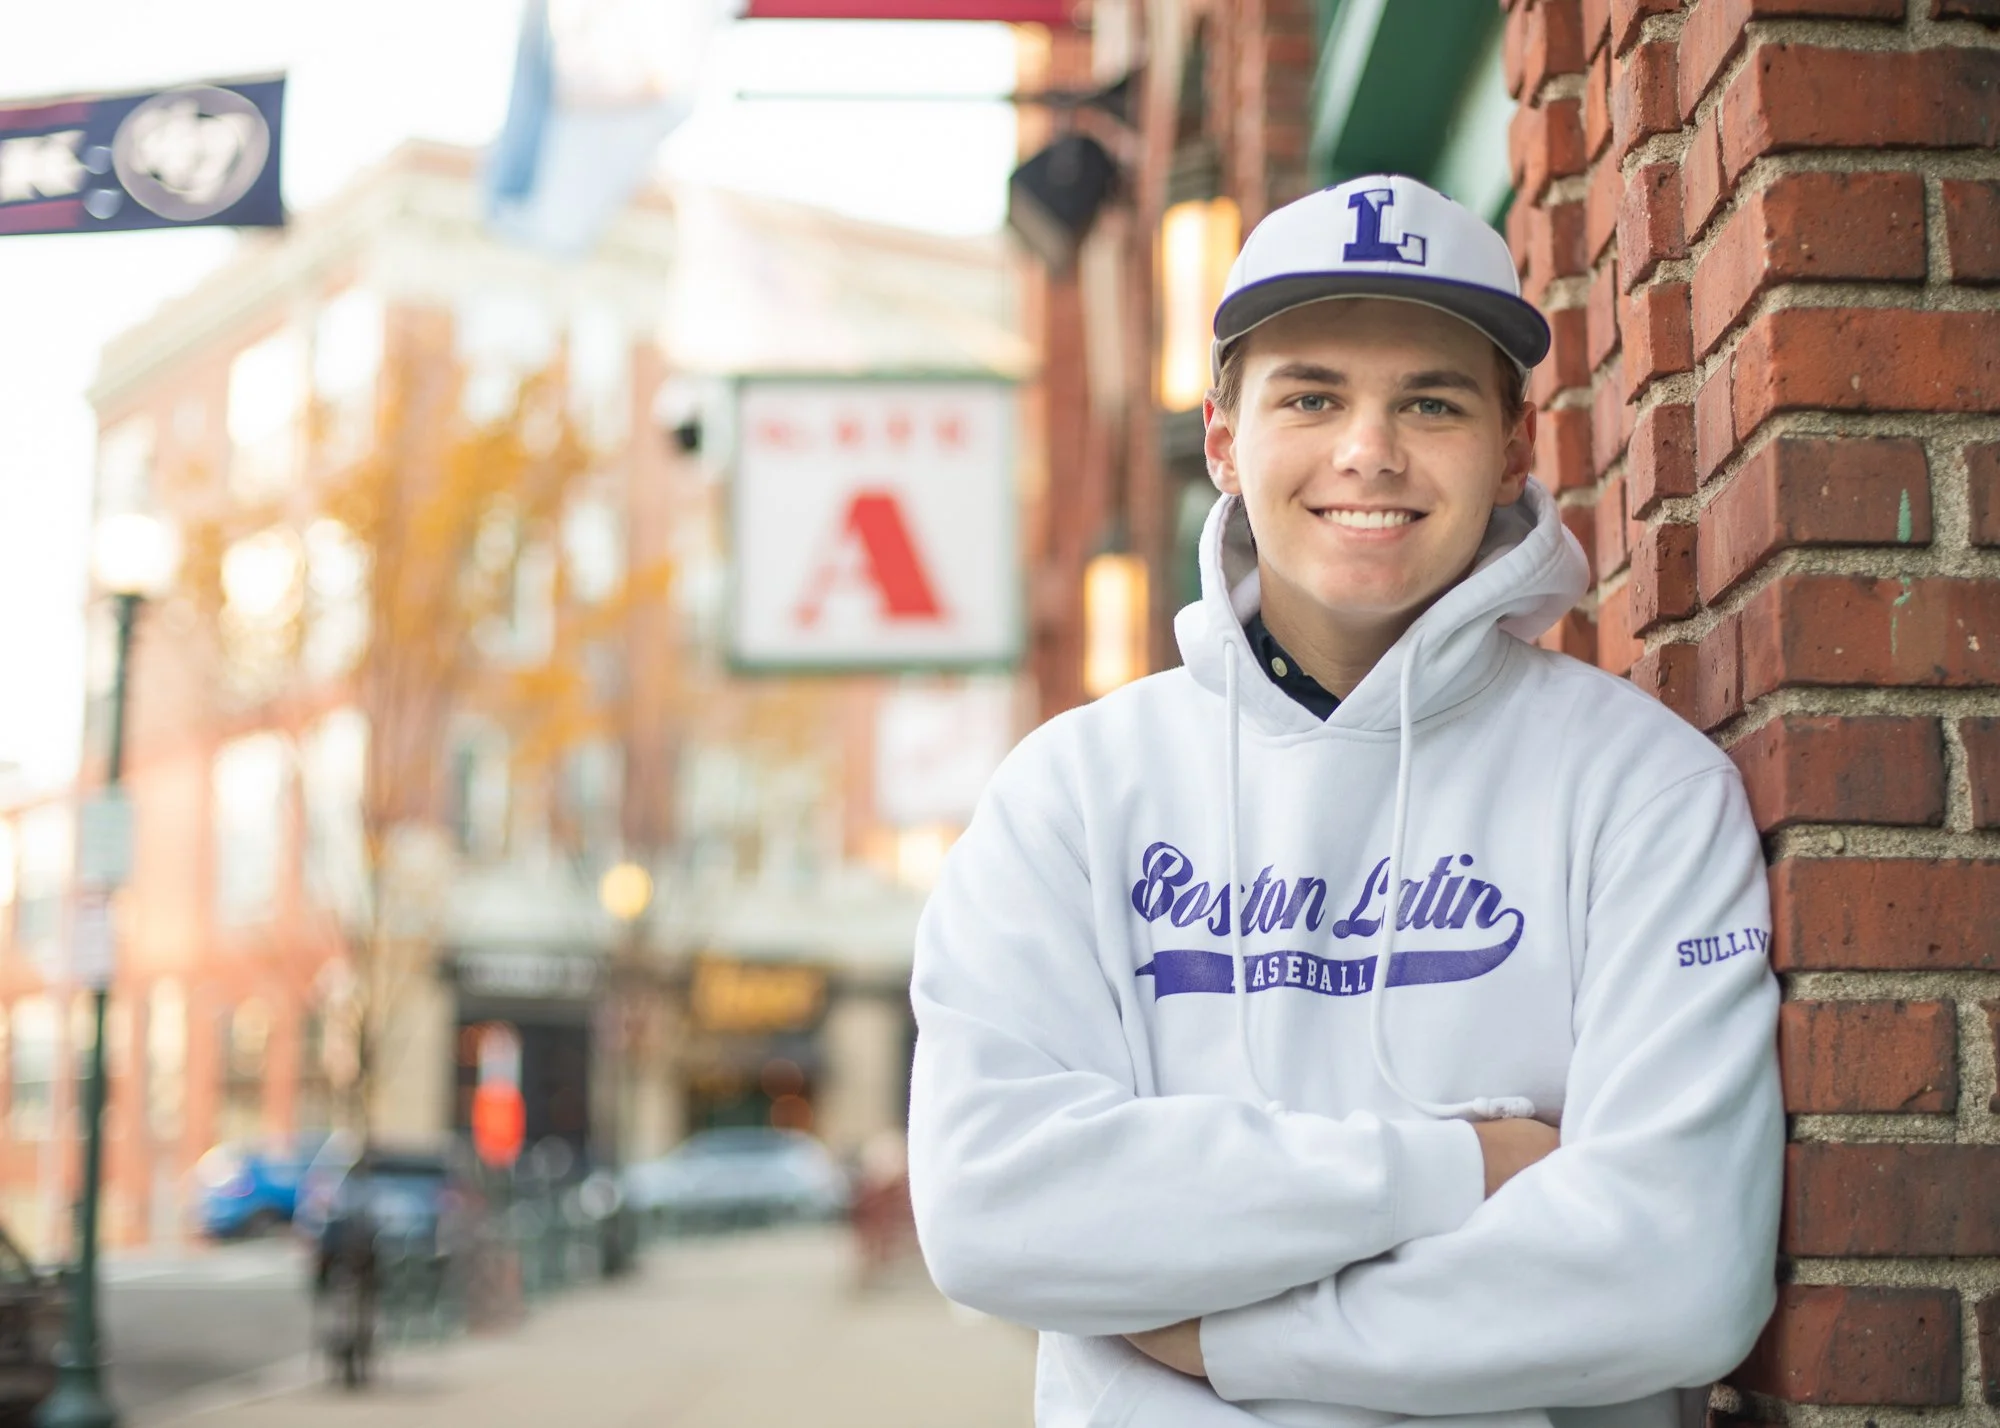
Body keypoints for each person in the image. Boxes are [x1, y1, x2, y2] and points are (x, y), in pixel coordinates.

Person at [907, 174, 1782, 1428]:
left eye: (1427, 402)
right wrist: (1461, 1168)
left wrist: (1219, 1336)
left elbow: (1676, 1272)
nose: (1366, 451)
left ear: (1508, 451)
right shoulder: (1071, 795)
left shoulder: (1640, 791)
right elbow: (995, 1210)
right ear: (1222, 441)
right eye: (1310, 396)